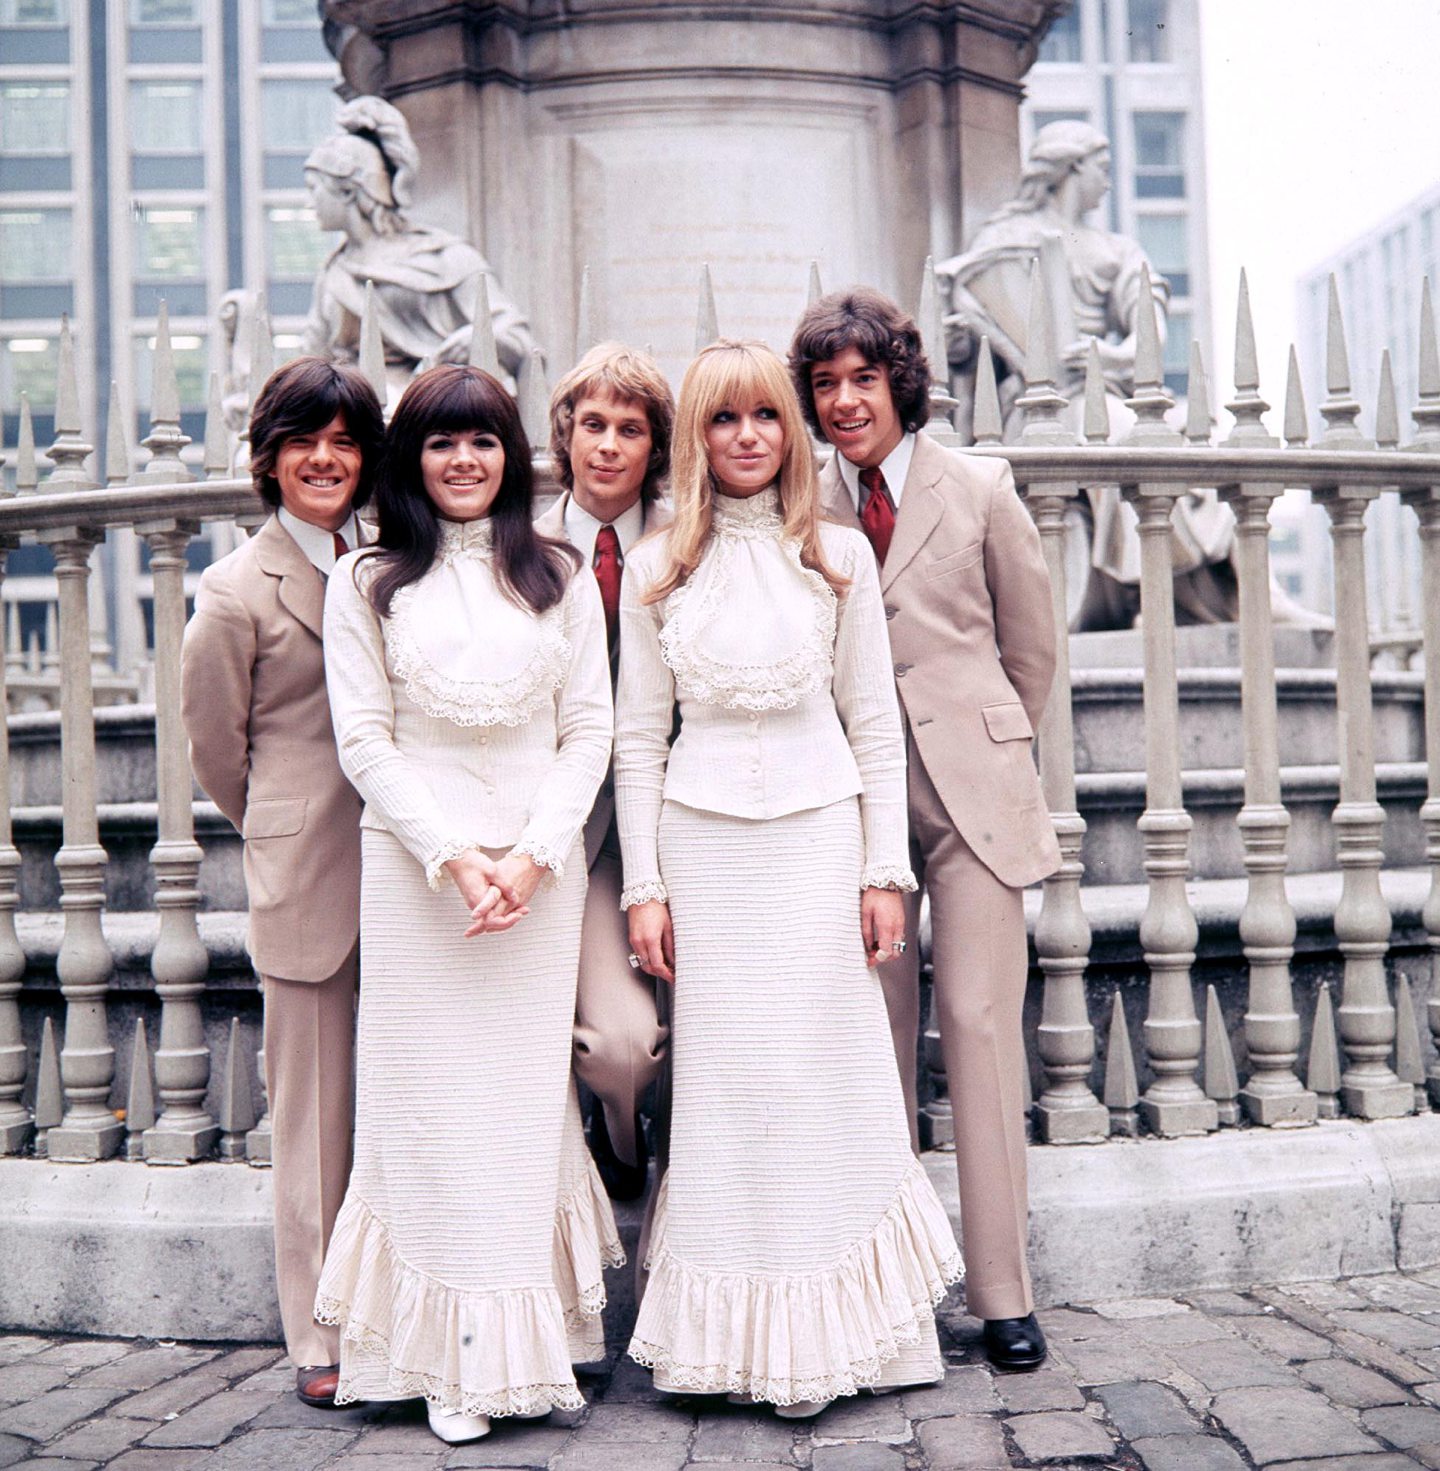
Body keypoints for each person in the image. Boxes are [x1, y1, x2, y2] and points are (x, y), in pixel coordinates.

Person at [616, 340, 961, 1417]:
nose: (749, 436)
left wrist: (883, 871)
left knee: (827, 1073)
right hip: (706, 847)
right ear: (697, 438)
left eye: (767, 415)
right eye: (724, 420)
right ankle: (735, 1343)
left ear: (791, 430)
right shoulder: (657, 562)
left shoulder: (843, 556)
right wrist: (644, 887)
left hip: (819, 845)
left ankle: (861, 1332)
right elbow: (635, 739)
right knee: (731, 1084)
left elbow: (873, 725)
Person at [314, 364, 621, 1445]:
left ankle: (533, 1343)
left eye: (482, 442)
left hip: (534, 882)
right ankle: (438, 1354)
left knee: (516, 1109)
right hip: (416, 878)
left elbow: (590, 728)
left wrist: (535, 860)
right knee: (428, 1111)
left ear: (510, 457)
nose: (462, 462)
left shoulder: (559, 574)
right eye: (441, 443)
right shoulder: (364, 582)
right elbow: (365, 740)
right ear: (412, 458)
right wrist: (455, 856)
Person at [789, 288, 1060, 1371]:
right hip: (857, 806)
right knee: (875, 1036)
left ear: (900, 379)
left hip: (973, 799)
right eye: (825, 383)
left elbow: (1032, 651)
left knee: (981, 1026)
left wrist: (985, 746)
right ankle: (889, 1283)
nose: (846, 400)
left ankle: (1003, 1293)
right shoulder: (803, 499)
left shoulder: (982, 489)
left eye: (863, 378)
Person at [181, 356, 385, 1407]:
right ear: (270, 459)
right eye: (305, 441)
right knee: (309, 1118)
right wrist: (283, 830)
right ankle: (317, 1332)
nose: (325, 459)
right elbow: (220, 755)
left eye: (346, 440)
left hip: (410, 872)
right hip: (309, 876)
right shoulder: (230, 594)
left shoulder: (394, 555)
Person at [539, 343, 675, 1202]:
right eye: (594, 424)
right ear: (566, 433)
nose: (610, 446)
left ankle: (659, 1148)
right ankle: (618, 1137)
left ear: (656, 447)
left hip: (677, 824)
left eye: (631, 429)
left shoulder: (688, 539)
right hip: (567, 835)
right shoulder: (518, 542)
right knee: (619, 1043)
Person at [301, 96, 540, 400]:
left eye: (314, 189)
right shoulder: (333, 272)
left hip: (438, 404)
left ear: (348, 189)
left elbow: (518, 337)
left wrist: (477, 338)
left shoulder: (445, 256)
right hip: (356, 410)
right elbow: (310, 362)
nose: (310, 203)